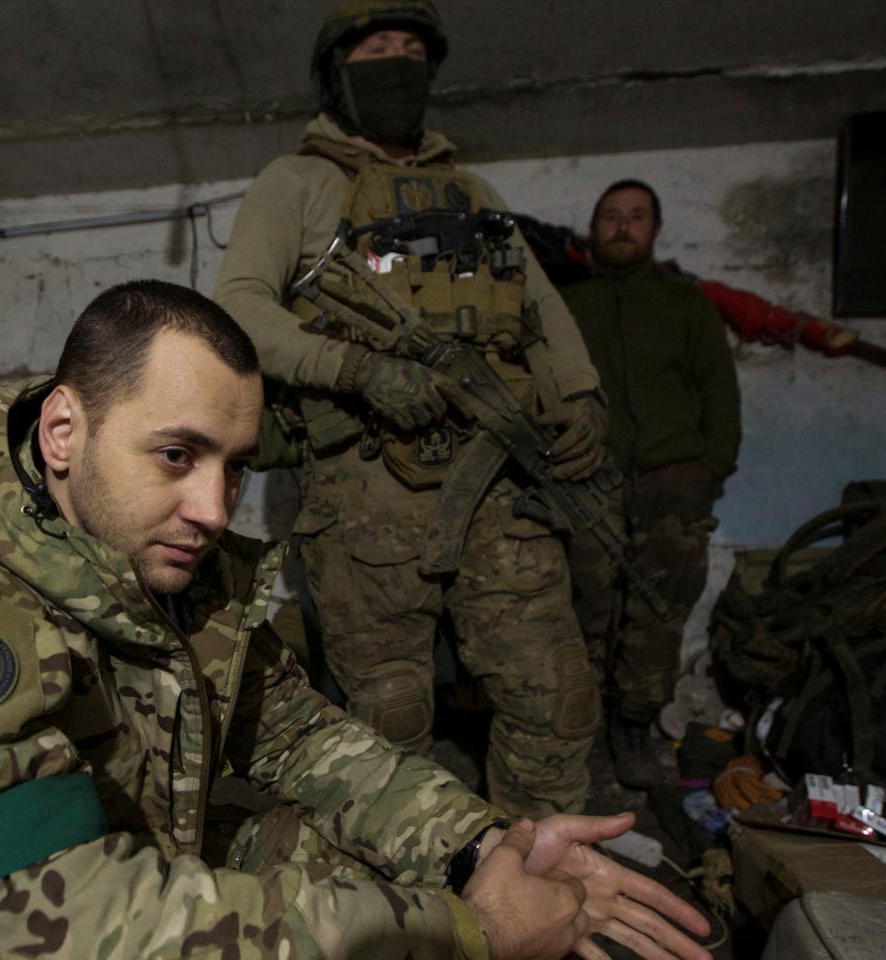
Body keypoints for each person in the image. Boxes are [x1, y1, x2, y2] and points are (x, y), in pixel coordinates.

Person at [0, 280, 710, 959]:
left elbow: (297, 736)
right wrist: (479, 931)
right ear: (64, 432)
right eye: (177, 455)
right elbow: (38, 926)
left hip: (131, 851)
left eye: (235, 467)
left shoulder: (167, 557)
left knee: (377, 883)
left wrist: (476, 849)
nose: (216, 510)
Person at [213, 0, 608, 817]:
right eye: (376, 48)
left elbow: (537, 308)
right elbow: (242, 309)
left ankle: (548, 897)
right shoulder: (298, 181)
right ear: (338, 72)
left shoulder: (473, 190)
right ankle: (419, 911)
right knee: (387, 723)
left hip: (503, 481)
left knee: (558, 700)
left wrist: (580, 394)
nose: (398, 61)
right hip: (368, 493)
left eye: (411, 49)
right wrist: (356, 370)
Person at [560, 180, 742, 788]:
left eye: (635, 217)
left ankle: (633, 729)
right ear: (593, 228)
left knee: (658, 613)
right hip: (592, 479)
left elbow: (719, 389)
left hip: (673, 479)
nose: (621, 227)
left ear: (654, 229)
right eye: (610, 216)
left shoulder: (684, 302)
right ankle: (583, 738)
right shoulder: (569, 305)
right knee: (587, 610)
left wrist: (711, 468)